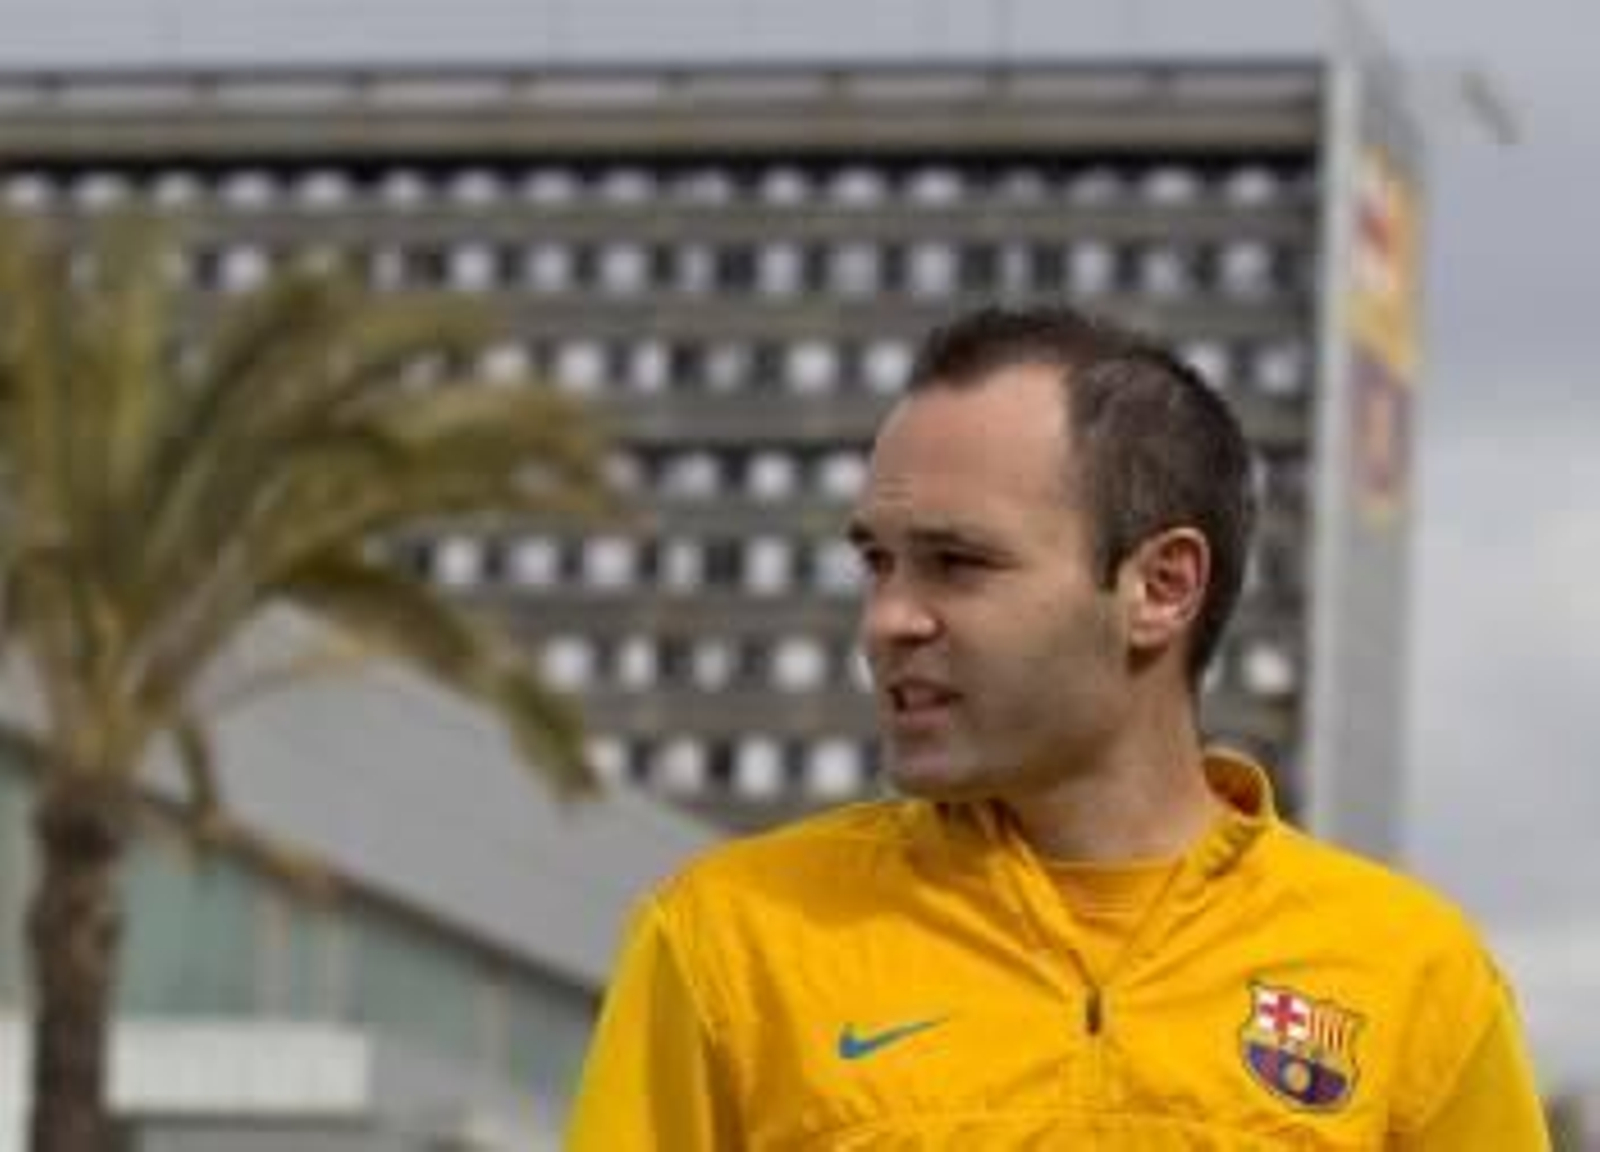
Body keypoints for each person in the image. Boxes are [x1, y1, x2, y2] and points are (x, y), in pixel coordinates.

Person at [566, 305, 1549, 1149]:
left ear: (1160, 589)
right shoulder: (730, 944)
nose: (887, 621)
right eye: (877, 562)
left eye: (956, 562)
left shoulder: (1412, 978)